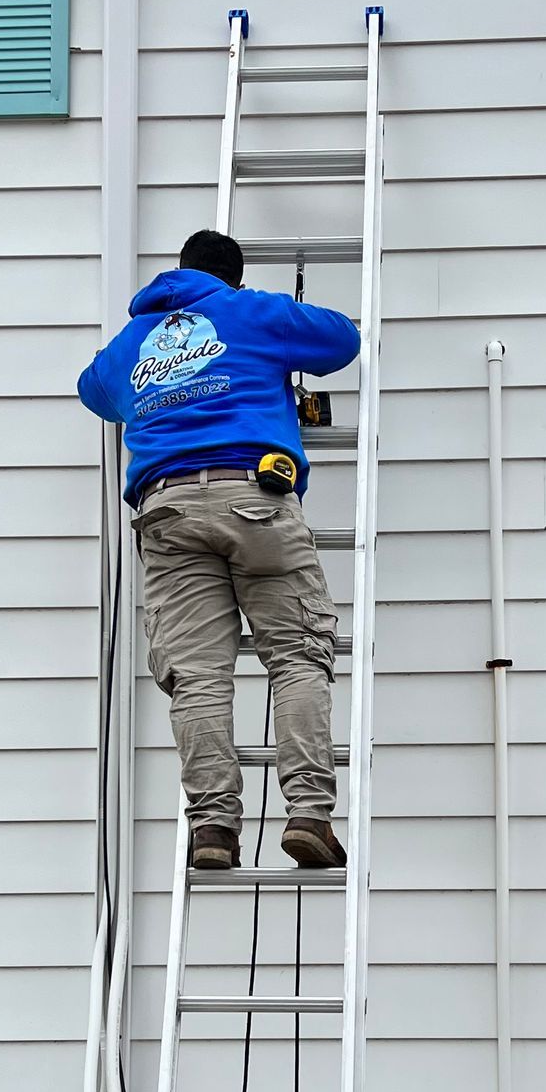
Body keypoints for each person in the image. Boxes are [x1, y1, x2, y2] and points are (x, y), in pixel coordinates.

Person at [77, 228, 361, 872]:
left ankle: (212, 830)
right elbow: (342, 340)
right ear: (229, 279)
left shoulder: (133, 342)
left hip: (167, 513)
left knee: (198, 678)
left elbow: (94, 391)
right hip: (253, 496)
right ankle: (309, 816)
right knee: (295, 656)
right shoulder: (249, 310)